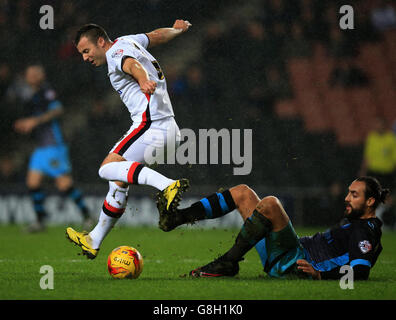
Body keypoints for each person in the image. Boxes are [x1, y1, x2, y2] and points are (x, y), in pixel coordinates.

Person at [66, 20, 192, 259]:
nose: (85, 58)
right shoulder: (129, 40)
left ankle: (166, 185)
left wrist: (143, 79)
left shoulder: (115, 53)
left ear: (101, 42)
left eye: (86, 51)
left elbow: (132, 65)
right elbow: (156, 35)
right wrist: (177, 30)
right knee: (117, 180)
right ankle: (94, 239)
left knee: (107, 168)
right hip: (170, 129)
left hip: (151, 125)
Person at [158, 177, 385, 280]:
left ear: (370, 202)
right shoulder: (358, 225)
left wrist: (320, 274)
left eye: (354, 195)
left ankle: (227, 262)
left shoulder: (364, 231)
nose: (347, 198)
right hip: (288, 252)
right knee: (243, 193)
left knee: (270, 204)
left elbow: (361, 271)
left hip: (295, 263)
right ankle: (177, 217)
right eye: (348, 192)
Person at [14, 65, 92, 232]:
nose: (31, 77)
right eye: (29, 74)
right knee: (32, 182)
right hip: (41, 147)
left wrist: (34, 122)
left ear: (41, 76)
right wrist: (26, 122)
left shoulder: (46, 91)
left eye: (35, 74)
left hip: (53, 145)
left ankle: (87, 216)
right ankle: (40, 221)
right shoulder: (32, 95)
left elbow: (57, 110)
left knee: (64, 184)